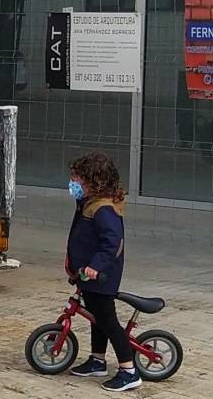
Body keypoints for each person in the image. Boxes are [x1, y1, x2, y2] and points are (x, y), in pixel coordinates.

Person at [65, 152, 140, 392]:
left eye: (76, 179)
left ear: (93, 182)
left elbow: (113, 242)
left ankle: (129, 371)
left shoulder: (103, 209)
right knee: (97, 319)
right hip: (88, 275)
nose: (72, 183)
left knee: (108, 322)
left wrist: (95, 267)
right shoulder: (88, 203)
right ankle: (97, 360)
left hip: (101, 276)